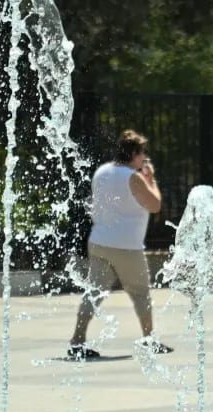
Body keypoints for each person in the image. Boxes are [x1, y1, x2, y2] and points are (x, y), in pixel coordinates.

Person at [68, 129, 172, 359]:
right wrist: (151, 179)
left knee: (94, 292)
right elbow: (154, 205)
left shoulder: (102, 171)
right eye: (142, 153)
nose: (143, 157)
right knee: (141, 293)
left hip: (99, 241)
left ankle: (77, 341)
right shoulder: (132, 177)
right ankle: (149, 339)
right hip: (127, 246)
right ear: (133, 153)